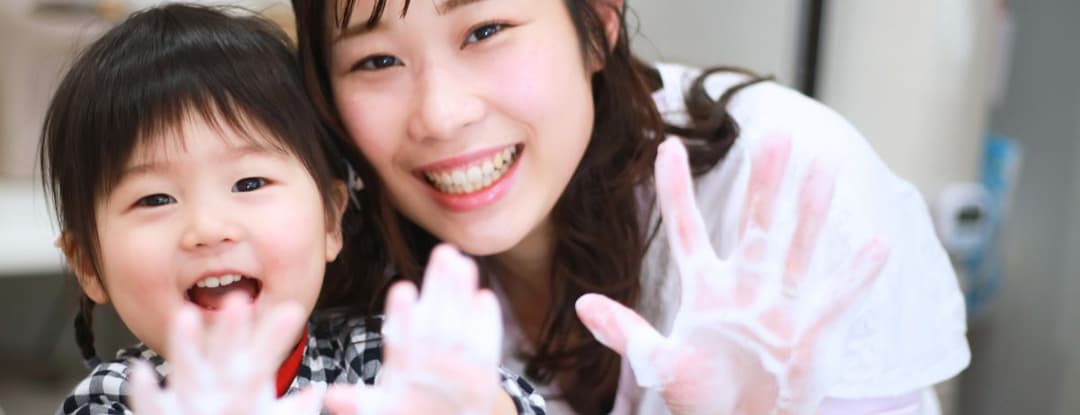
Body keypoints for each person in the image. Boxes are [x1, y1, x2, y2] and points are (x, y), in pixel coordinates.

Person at [290, 0, 972, 413]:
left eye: (486, 29)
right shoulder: (330, 246)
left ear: (597, 21)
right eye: (376, 62)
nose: (440, 115)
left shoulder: (783, 184)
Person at [40, 4, 545, 414]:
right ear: (87, 262)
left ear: (330, 218)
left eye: (250, 181)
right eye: (155, 198)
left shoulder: (381, 357)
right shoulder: (114, 399)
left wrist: (481, 406)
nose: (209, 228)